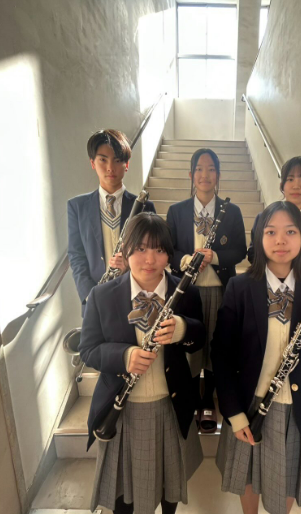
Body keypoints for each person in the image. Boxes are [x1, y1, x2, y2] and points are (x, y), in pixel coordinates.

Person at [212, 201, 301, 514]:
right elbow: (221, 354)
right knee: (248, 476)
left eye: (290, 232)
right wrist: (233, 412)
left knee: (287, 479)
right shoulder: (239, 286)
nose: (280, 240)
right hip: (250, 402)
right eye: (271, 232)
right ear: (259, 238)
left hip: (299, 407)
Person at [79, 212, 205, 514]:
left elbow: (200, 337)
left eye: (159, 249)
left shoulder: (186, 292)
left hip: (169, 405)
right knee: (124, 496)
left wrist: (182, 329)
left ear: (169, 254)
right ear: (125, 250)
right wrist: (124, 356)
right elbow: (88, 350)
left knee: (168, 489)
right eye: (140, 248)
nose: (150, 259)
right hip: (123, 411)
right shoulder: (101, 295)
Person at [166, 148, 246, 433]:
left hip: (219, 291)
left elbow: (241, 250)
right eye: (199, 169)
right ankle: (190, 398)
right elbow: (168, 250)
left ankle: (207, 399)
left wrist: (216, 257)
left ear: (218, 175)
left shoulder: (231, 212)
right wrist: (186, 260)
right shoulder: (176, 211)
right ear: (191, 174)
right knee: (189, 345)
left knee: (216, 345)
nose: (205, 174)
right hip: (188, 293)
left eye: (211, 169)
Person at [67, 129, 156, 314]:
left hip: (135, 296)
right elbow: (76, 256)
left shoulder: (145, 207)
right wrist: (90, 295)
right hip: (95, 300)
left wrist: (130, 265)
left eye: (117, 160)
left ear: (126, 164)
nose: (110, 168)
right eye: (103, 159)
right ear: (92, 163)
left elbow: (152, 253)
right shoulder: (77, 207)